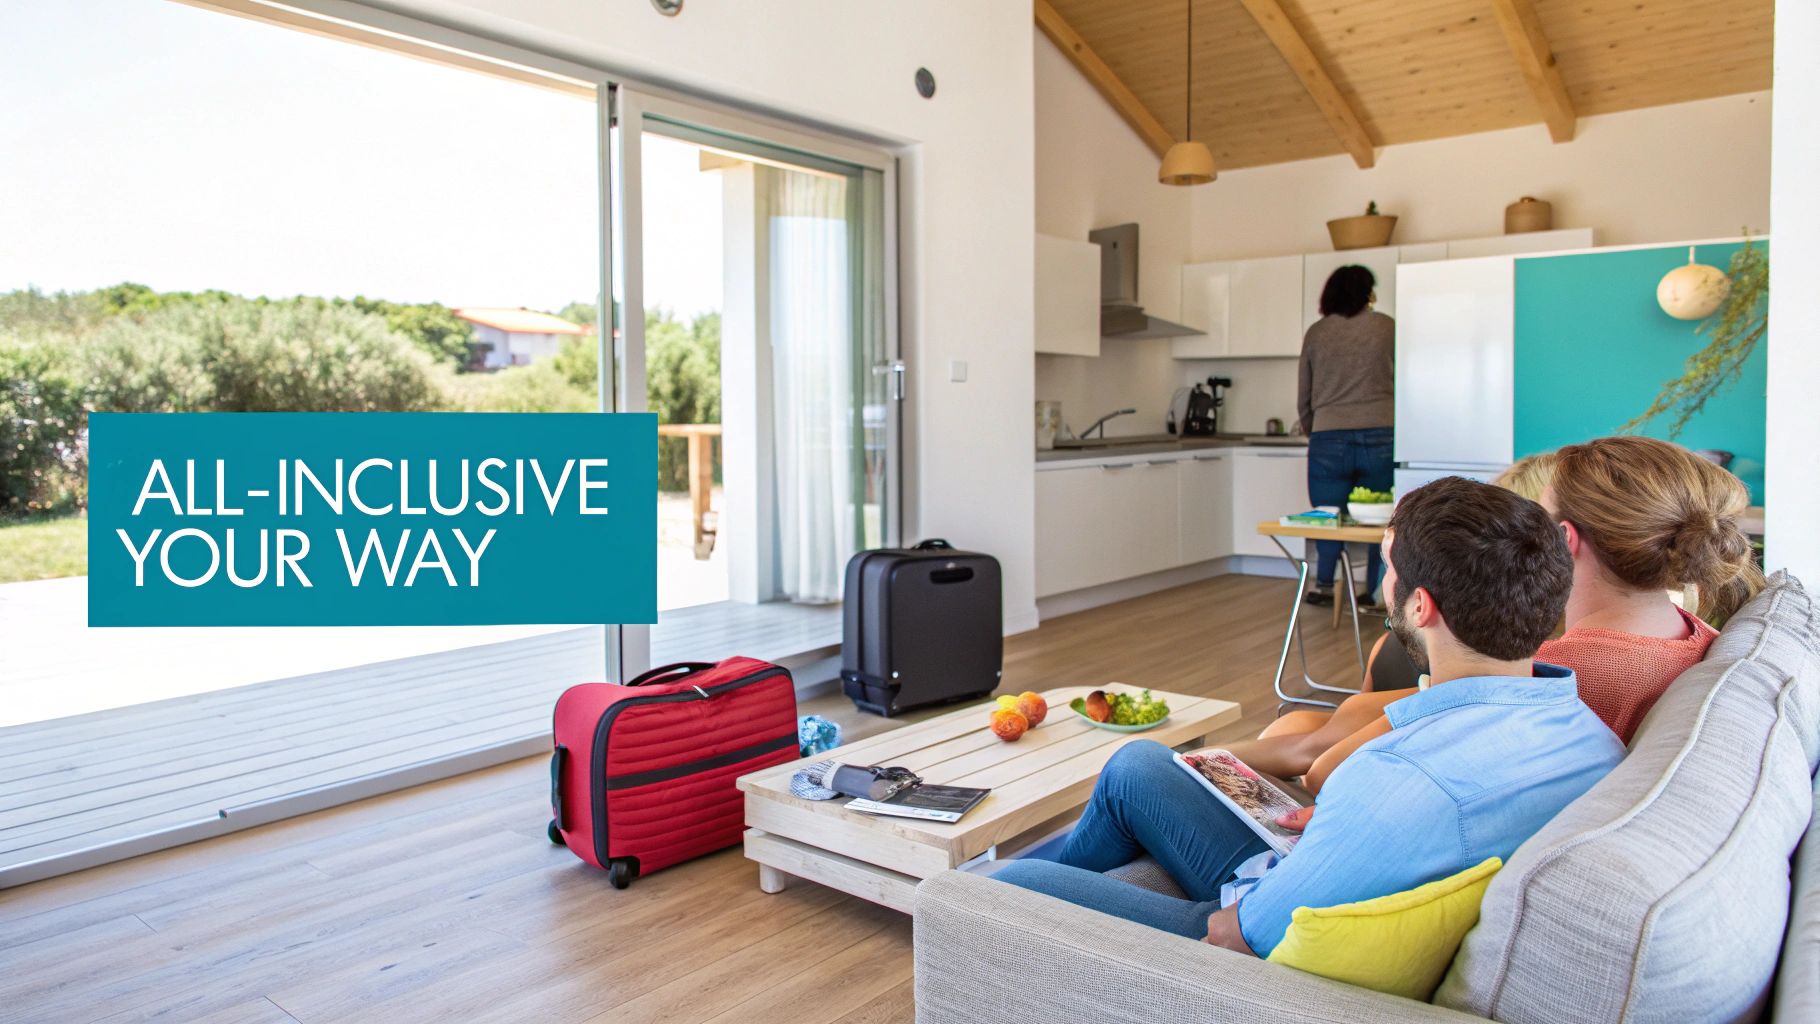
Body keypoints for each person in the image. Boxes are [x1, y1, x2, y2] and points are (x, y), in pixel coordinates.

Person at [991, 477, 1623, 957]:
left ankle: (1010, 909)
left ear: (1421, 606)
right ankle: (1059, 888)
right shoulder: (1589, 731)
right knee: (1139, 766)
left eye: (1389, 568)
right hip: (1316, 863)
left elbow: (1237, 938)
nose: (1385, 584)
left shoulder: (1398, 778)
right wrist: (1339, 827)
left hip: (1245, 933)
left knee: (1002, 884)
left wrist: (1350, 820)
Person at [1223, 437, 1762, 795]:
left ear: (1561, 540)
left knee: (1158, 773)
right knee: (1307, 723)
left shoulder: (1562, 675)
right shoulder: (1690, 633)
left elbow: (1324, 771)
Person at [1298, 265, 1395, 609]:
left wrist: (1315, 429)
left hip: (1328, 436)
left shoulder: (1316, 332)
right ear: (1368, 293)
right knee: (1379, 519)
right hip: (1382, 433)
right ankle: (1375, 593)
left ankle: (1323, 586)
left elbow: (1304, 393)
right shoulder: (1387, 327)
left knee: (1327, 515)